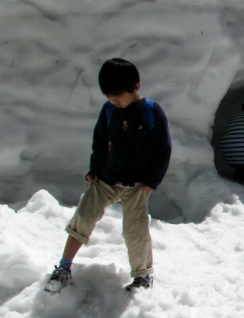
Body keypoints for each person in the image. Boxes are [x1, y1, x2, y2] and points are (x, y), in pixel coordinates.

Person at [45, 58, 172, 293]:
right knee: (83, 216)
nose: (115, 101)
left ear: (136, 87)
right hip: (106, 178)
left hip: (137, 184)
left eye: (119, 96)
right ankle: (64, 267)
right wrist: (94, 169)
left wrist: (152, 180)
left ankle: (143, 276)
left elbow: (163, 149)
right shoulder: (109, 110)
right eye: (110, 97)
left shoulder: (152, 112)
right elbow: (100, 141)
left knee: (135, 229)